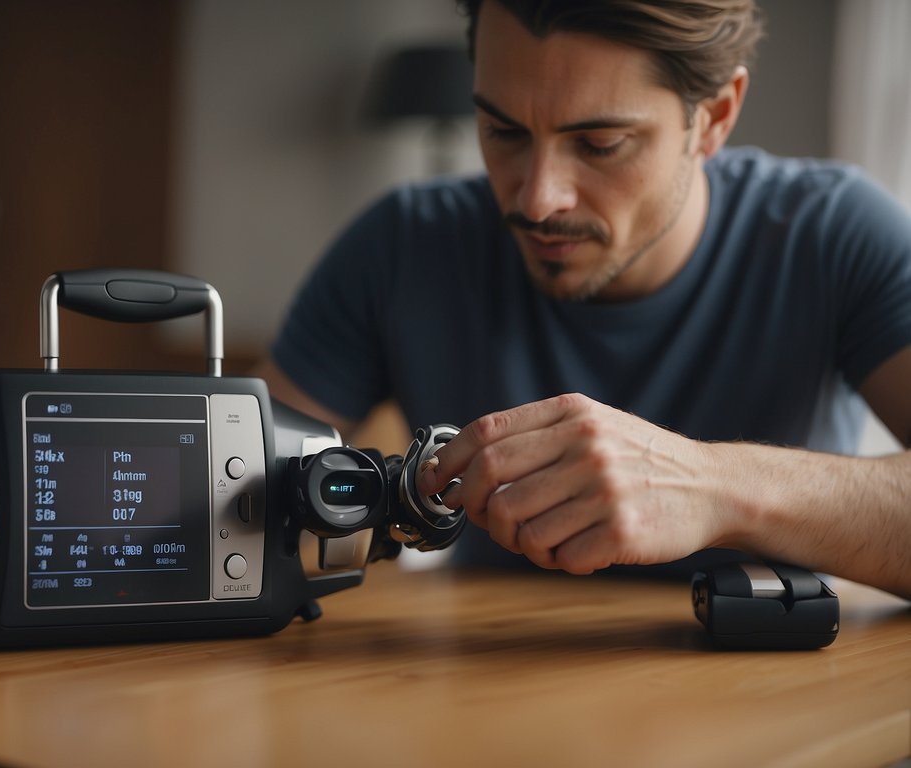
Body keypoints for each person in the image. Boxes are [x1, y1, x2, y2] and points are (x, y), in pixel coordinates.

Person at [258, 0, 911, 599]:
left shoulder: (836, 234)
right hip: (485, 698)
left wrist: (715, 486)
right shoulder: (399, 246)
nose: (537, 199)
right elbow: (234, 503)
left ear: (713, 116)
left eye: (601, 145)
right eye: (503, 131)